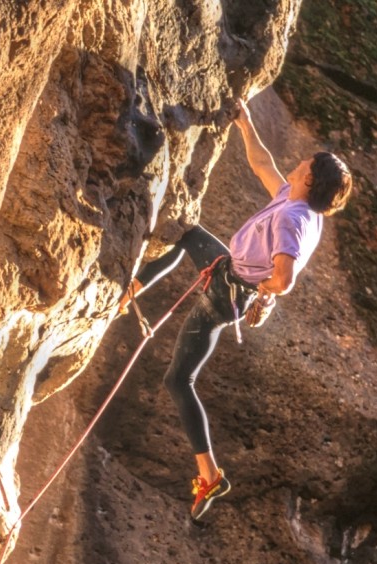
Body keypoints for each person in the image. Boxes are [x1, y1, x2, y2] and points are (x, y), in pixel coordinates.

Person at [119, 99, 352, 521]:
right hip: (230, 274)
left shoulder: (294, 220)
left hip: (225, 294)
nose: (299, 161)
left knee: (178, 379)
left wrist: (260, 292)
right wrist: (246, 126)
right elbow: (263, 165)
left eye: (306, 162)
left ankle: (209, 473)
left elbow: (284, 277)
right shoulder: (297, 203)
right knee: (186, 233)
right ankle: (134, 286)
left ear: (310, 177)